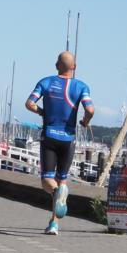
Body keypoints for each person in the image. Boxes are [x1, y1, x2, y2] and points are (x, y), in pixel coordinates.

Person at [25, 51, 95, 235]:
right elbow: (90, 109)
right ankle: (54, 224)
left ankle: (57, 194)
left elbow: (29, 103)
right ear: (75, 67)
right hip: (68, 140)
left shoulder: (45, 82)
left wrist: (42, 112)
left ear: (57, 65)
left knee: (48, 180)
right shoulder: (81, 86)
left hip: (49, 136)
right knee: (61, 180)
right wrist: (86, 121)